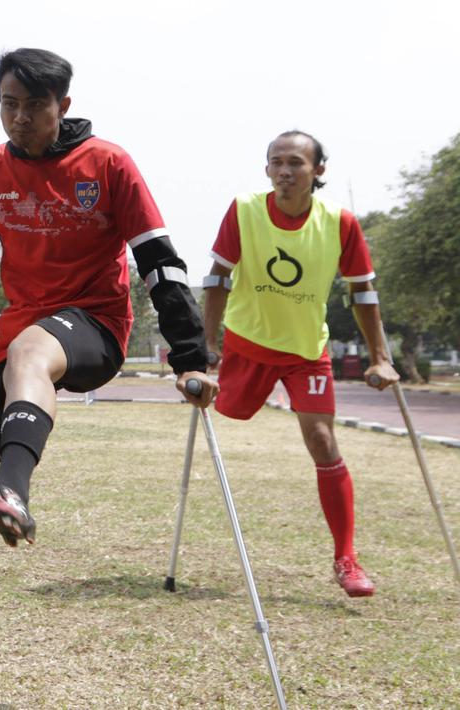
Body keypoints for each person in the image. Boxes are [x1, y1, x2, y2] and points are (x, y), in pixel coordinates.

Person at [0, 48, 215, 547]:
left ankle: (9, 492)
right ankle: (11, 491)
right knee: (24, 357)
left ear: (63, 105)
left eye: (34, 105)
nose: (20, 118)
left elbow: (159, 263)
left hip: (95, 323)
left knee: (31, 349)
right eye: (8, 104)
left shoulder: (108, 164)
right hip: (25, 329)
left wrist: (190, 360)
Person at [203, 130, 397, 597]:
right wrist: (206, 347)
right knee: (226, 411)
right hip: (247, 344)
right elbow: (217, 277)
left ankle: (346, 559)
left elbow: (362, 291)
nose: (284, 172)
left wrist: (381, 357)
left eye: (295, 163)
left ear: (318, 171)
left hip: (307, 351)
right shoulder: (245, 209)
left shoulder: (340, 222)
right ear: (267, 169)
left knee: (322, 439)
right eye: (275, 163)